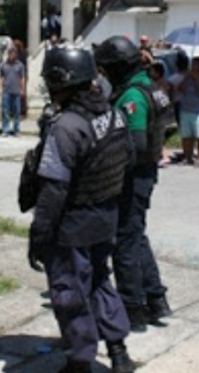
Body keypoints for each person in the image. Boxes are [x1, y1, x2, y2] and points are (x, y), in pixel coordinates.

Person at [26, 45, 136, 373]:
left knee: (69, 292)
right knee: (101, 281)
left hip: (71, 225)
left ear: (64, 83)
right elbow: (128, 159)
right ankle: (119, 352)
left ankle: (80, 361)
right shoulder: (114, 115)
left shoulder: (65, 127)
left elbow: (53, 188)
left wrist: (39, 234)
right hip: (106, 217)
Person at [95, 36, 171, 333]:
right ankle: (155, 298)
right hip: (144, 174)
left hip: (133, 176)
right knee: (136, 236)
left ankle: (132, 307)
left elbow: (136, 144)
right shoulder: (148, 85)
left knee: (124, 241)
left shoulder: (132, 96)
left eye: (106, 69)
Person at [177, 56, 199, 167]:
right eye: (192, 64)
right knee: (186, 135)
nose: (193, 67)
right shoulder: (187, 77)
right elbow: (180, 89)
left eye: (195, 64)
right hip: (185, 108)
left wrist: (196, 78)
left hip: (198, 110)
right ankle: (188, 157)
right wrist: (186, 78)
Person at [0, 46, 26, 136]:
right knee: (5, 111)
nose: (13, 55)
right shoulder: (3, 65)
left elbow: (22, 78)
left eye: (14, 53)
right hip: (6, 91)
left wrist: (23, 89)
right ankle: (5, 130)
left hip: (16, 91)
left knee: (16, 112)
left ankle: (16, 130)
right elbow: (1, 78)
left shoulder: (20, 65)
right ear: (8, 54)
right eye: (11, 53)